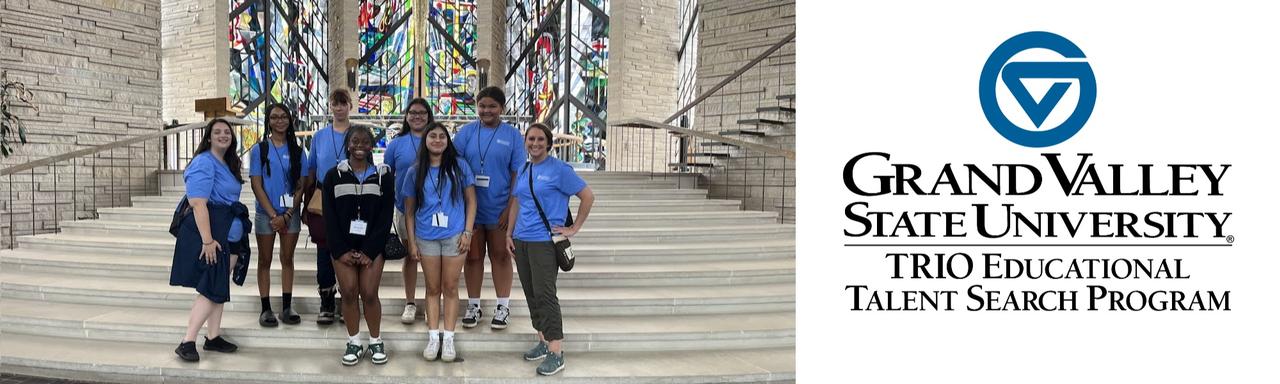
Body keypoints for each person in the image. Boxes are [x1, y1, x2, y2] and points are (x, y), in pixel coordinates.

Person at [506, 123, 594, 376]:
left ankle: (556, 352)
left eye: (540, 139)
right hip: (521, 241)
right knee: (531, 294)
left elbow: (588, 196)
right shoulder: (524, 168)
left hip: (544, 242)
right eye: (530, 139)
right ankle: (543, 341)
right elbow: (517, 202)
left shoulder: (559, 170)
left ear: (549, 143)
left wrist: (573, 228)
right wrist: (508, 233)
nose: (535, 143)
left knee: (545, 295)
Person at [170, 118, 253, 362]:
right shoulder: (204, 162)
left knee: (218, 284)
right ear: (208, 137)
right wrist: (207, 240)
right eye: (217, 132)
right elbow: (197, 203)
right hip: (213, 232)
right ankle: (187, 341)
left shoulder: (226, 163)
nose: (222, 135)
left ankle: (213, 336)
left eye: (227, 132)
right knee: (210, 286)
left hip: (228, 229)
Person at [322, 125, 396, 365]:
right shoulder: (333, 175)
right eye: (355, 141)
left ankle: (375, 341)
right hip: (342, 247)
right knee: (349, 293)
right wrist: (341, 251)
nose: (360, 145)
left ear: (372, 145)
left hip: (371, 248)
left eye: (365, 141)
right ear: (348, 144)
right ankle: (354, 341)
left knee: (369, 294)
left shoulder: (384, 175)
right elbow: (329, 217)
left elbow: (386, 217)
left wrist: (369, 251)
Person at [453, 86, 526, 330]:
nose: (486, 110)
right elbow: (453, 165)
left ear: (502, 108)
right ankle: (474, 305)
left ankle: (503, 306)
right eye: (482, 106)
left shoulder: (512, 135)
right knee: (472, 257)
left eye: (492, 106)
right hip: (471, 209)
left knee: (500, 255)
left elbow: (517, 173)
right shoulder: (466, 133)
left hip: (499, 207)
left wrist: (509, 207)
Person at [402, 122, 476, 362]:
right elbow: (409, 212)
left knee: (451, 287)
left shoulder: (460, 166)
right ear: (425, 140)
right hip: (426, 237)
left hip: (455, 235)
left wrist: (468, 232)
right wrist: (412, 243)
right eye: (432, 136)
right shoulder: (415, 171)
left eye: (441, 136)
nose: (437, 140)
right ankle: (434, 337)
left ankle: (449, 338)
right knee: (433, 288)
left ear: (448, 140)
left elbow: (471, 201)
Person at [249, 103, 305, 327]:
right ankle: (265, 309)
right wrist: (274, 215)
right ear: (268, 121)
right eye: (274, 117)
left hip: (290, 214)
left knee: (287, 259)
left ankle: (286, 306)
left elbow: (302, 185)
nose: (279, 121)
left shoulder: (299, 151)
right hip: (266, 214)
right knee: (265, 260)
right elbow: (256, 183)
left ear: (290, 120)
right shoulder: (259, 150)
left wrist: (288, 213)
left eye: (283, 117)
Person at [302, 88, 355, 325]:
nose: (339, 107)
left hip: (352, 196)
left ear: (350, 107)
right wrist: (306, 201)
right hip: (323, 195)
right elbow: (312, 169)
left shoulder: (357, 133)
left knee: (349, 248)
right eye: (336, 103)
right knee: (324, 250)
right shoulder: (320, 136)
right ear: (330, 106)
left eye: (343, 103)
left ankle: (348, 300)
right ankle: (326, 300)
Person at [383, 98, 434, 324]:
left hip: (433, 211)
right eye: (413, 112)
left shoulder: (436, 139)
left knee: (432, 258)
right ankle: (410, 303)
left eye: (422, 113)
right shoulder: (396, 144)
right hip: (405, 210)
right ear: (406, 115)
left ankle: (432, 301)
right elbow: (386, 177)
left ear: (429, 116)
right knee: (411, 256)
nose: (417, 116)